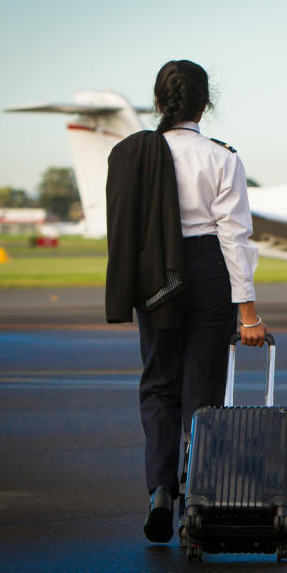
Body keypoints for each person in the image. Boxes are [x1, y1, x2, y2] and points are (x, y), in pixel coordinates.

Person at [105, 59, 266, 543]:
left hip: (156, 273)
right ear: (205, 104)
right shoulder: (223, 158)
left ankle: (159, 490)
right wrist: (249, 313)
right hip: (207, 271)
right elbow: (235, 239)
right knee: (203, 390)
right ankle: (195, 497)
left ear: (159, 103)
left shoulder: (133, 154)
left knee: (159, 385)